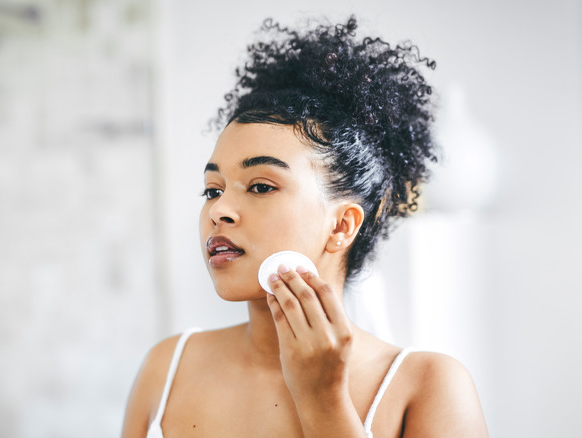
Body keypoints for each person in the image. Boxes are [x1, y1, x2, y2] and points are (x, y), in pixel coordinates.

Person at [122, 16, 488, 437]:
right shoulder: (165, 367)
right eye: (212, 190)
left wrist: (323, 400)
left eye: (260, 186)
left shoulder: (429, 386)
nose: (219, 209)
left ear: (342, 225)